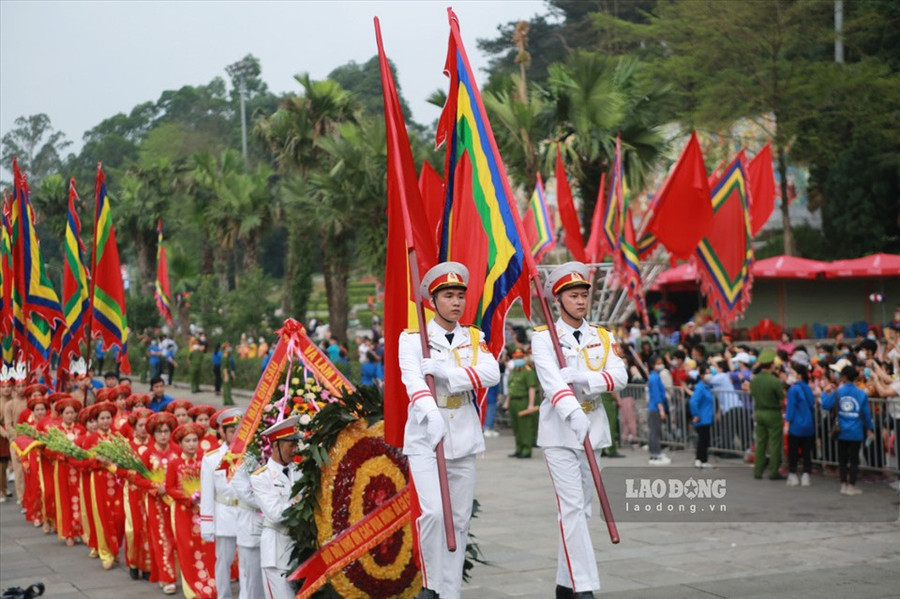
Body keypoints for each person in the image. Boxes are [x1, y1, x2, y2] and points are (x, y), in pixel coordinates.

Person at [398, 262, 500, 599]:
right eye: (448, 295)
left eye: (460, 296)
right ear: (432, 300)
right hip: (427, 436)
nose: (456, 302)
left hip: (464, 436)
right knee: (433, 514)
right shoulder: (413, 339)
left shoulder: (474, 337)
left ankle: (450, 591)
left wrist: (446, 372)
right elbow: (412, 381)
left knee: (458, 520)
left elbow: (491, 373)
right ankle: (431, 585)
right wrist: (431, 413)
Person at [531, 262, 627, 599]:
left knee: (580, 511)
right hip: (560, 431)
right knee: (571, 508)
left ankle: (564, 584)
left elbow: (620, 376)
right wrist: (573, 412)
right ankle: (583, 589)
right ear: (558, 300)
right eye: (573, 296)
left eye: (584, 295)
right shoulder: (543, 338)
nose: (580, 301)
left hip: (594, 428)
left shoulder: (601, 336)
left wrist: (585, 378)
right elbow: (551, 382)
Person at [250, 416, 304, 599]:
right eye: (290, 445)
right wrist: (302, 503)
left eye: (295, 444)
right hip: (276, 551)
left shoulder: (300, 470)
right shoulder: (261, 477)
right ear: (276, 446)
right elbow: (275, 514)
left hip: (299, 549)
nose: (294, 449)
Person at [167, 422, 217, 598]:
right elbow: (169, 488)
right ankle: (192, 589)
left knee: (207, 547)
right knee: (187, 548)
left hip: (204, 512)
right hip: (184, 513)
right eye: (187, 440)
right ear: (180, 444)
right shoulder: (174, 463)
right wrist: (188, 498)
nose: (191, 444)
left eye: (194, 440)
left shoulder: (206, 460)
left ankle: (209, 585)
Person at [200, 408, 243, 599]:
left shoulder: (250, 455)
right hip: (224, 513)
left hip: (245, 514)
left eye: (239, 430)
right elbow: (207, 494)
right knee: (223, 562)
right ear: (222, 432)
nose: (236, 435)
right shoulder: (211, 459)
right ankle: (224, 596)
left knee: (248, 563)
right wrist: (207, 524)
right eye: (232, 430)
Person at [80, 401, 124, 569]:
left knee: (119, 516)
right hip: (99, 480)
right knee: (102, 516)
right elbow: (84, 463)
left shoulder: (117, 437)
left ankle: (115, 548)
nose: (105, 421)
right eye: (102, 418)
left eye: (108, 418)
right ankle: (105, 552)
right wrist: (97, 460)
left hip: (117, 481)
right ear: (96, 420)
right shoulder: (91, 439)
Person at [821, 365, 875, 495]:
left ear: (844, 377)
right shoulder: (861, 393)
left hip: (841, 430)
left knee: (843, 459)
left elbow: (825, 404)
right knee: (854, 460)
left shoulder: (838, 392)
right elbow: (866, 414)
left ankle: (843, 484)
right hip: (856, 430)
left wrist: (824, 392)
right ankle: (851, 485)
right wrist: (870, 428)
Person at [751, 348, 786, 480]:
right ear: (772, 364)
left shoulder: (754, 380)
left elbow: (752, 394)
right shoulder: (774, 381)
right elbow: (781, 399)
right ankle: (774, 471)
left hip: (759, 412)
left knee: (760, 442)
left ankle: (758, 470)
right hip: (773, 413)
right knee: (775, 443)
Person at [784, 358, 816, 487]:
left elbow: (790, 408)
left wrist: (787, 423)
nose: (790, 375)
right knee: (807, 452)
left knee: (793, 451)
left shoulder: (793, 389)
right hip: (808, 425)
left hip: (796, 426)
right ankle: (806, 475)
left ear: (799, 374)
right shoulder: (808, 388)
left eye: (792, 372)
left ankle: (793, 475)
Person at [506, 349, 540, 459]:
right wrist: (507, 402)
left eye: (520, 357)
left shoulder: (528, 370)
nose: (518, 359)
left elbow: (532, 388)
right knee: (516, 427)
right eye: (516, 357)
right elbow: (511, 388)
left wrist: (531, 404)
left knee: (525, 426)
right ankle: (519, 448)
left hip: (523, 400)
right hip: (513, 401)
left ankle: (526, 449)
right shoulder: (514, 370)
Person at [690, 363, 715, 468]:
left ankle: (701, 460)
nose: (709, 375)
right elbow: (693, 402)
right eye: (707, 373)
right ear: (701, 375)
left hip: (707, 417)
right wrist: (696, 414)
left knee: (704, 440)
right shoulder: (700, 387)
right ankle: (701, 460)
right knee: (703, 440)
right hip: (702, 418)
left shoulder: (707, 387)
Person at [647, 355, 671, 465]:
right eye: (658, 362)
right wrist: (661, 410)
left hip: (654, 407)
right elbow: (657, 396)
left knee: (654, 431)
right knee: (655, 432)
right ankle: (655, 455)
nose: (661, 364)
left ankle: (655, 454)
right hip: (655, 408)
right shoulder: (654, 378)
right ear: (653, 364)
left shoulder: (654, 376)